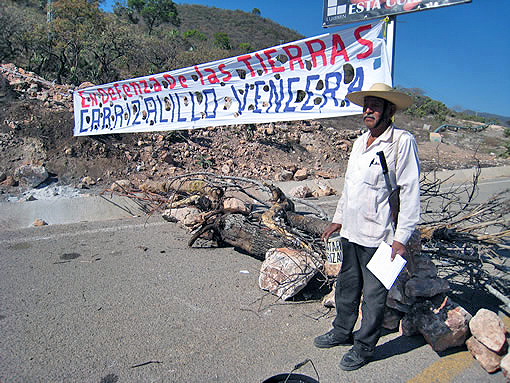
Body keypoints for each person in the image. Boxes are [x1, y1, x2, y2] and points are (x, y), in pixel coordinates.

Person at [314, 83, 421, 371]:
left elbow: (410, 191)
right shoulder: (360, 142)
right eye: (366, 105)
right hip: (351, 232)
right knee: (346, 288)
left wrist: (401, 238)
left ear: (390, 110)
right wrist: (338, 218)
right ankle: (341, 331)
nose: (368, 111)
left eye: (375, 106)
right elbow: (350, 187)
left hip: (381, 237)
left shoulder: (401, 142)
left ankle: (364, 347)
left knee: (374, 298)